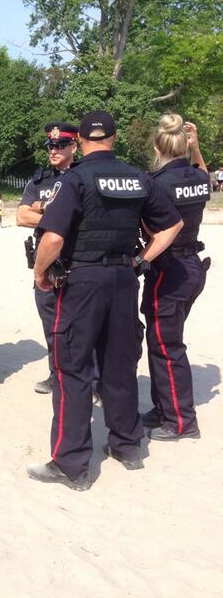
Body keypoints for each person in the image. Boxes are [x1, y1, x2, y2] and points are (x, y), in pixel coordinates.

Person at [27, 110, 183, 491]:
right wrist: (142, 260)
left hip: (82, 282)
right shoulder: (138, 177)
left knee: (72, 369)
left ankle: (71, 464)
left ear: (80, 140)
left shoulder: (76, 179)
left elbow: (52, 239)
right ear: (114, 138)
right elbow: (173, 224)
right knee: (118, 365)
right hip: (124, 279)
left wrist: (39, 274)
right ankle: (128, 446)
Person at [140, 116, 210, 441]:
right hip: (193, 266)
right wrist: (196, 149)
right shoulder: (197, 175)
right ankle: (164, 408)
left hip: (168, 269)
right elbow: (205, 176)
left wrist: (140, 259)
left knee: (167, 346)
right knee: (161, 341)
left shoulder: (156, 183)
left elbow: (155, 229)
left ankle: (182, 421)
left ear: (157, 146)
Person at [17, 122, 77, 394]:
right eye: (50, 145)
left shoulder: (81, 176)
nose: (53, 150)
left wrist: (47, 213)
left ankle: (93, 381)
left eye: (60, 145)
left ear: (74, 146)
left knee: (82, 327)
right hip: (47, 263)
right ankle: (57, 376)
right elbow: (21, 216)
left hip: (77, 262)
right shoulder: (40, 180)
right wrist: (55, 213)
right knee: (52, 327)